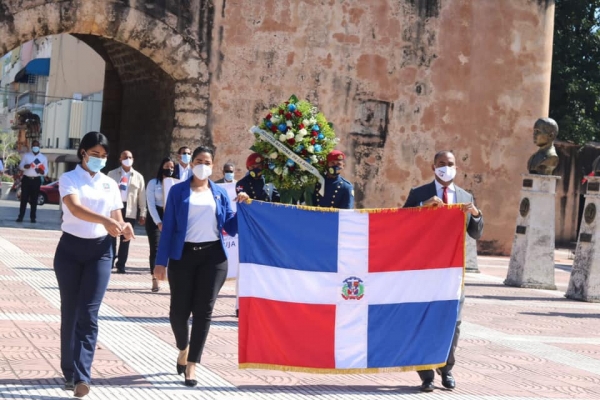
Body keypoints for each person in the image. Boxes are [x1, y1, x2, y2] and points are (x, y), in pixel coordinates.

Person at [154, 145, 249, 387]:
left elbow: (230, 227)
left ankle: (193, 365)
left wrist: (242, 208)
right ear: (191, 163)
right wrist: (160, 263)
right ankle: (183, 348)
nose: (202, 165)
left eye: (206, 162)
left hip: (214, 258)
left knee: (204, 312)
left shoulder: (219, 193)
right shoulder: (177, 192)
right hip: (183, 256)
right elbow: (168, 230)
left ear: (212, 165)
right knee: (178, 312)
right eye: (198, 160)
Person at [53, 131, 135, 398]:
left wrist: (123, 227)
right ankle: (68, 370)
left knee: (89, 313)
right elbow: (75, 209)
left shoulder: (109, 184)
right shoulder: (69, 179)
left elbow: (116, 216)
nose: (99, 159)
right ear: (83, 153)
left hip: (100, 252)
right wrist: (107, 222)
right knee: (71, 311)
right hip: (70, 251)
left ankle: (82, 376)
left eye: (103, 156)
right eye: (94, 154)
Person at [404, 150, 483, 393]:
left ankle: (446, 369)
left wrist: (476, 215)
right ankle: (426, 375)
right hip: (425, 271)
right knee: (425, 320)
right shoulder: (419, 194)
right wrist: (421, 207)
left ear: (456, 167)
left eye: (449, 164)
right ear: (433, 167)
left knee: (453, 322)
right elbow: (401, 224)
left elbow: (476, 232)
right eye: (441, 164)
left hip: (453, 272)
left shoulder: (465, 196)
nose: (445, 168)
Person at [107, 151, 146, 273]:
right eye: (125, 157)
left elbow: (142, 196)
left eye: (130, 157)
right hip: (114, 208)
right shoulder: (112, 174)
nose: (127, 159)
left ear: (133, 159)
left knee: (126, 238)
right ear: (120, 159)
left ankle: (121, 264)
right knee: (112, 235)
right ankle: (110, 261)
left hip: (130, 209)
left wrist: (143, 213)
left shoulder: (138, 177)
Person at [145, 157, 175, 292]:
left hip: (170, 215)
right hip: (155, 216)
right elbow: (150, 204)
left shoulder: (175, 184)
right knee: (156, 248)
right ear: (162, 167)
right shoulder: (153, 183)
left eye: (172, 168)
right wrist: (158, 221)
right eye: (167, 166)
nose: (170, 169)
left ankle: (170, 277)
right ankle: (155, 278)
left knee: (171, 248)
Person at [17, 140, 48, 223]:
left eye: (37, 146)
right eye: (34, 146)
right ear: (31, 147)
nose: (35, 147)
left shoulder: (43, 158)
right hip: (26, 179)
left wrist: (43, 172)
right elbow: (20, 166)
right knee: (24, 199)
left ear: (39, 147)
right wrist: (24, 167)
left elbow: (46, 171)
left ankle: (33, 218)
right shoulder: (26, 156)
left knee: (34, 200)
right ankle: (20, 217)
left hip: (36, 180)